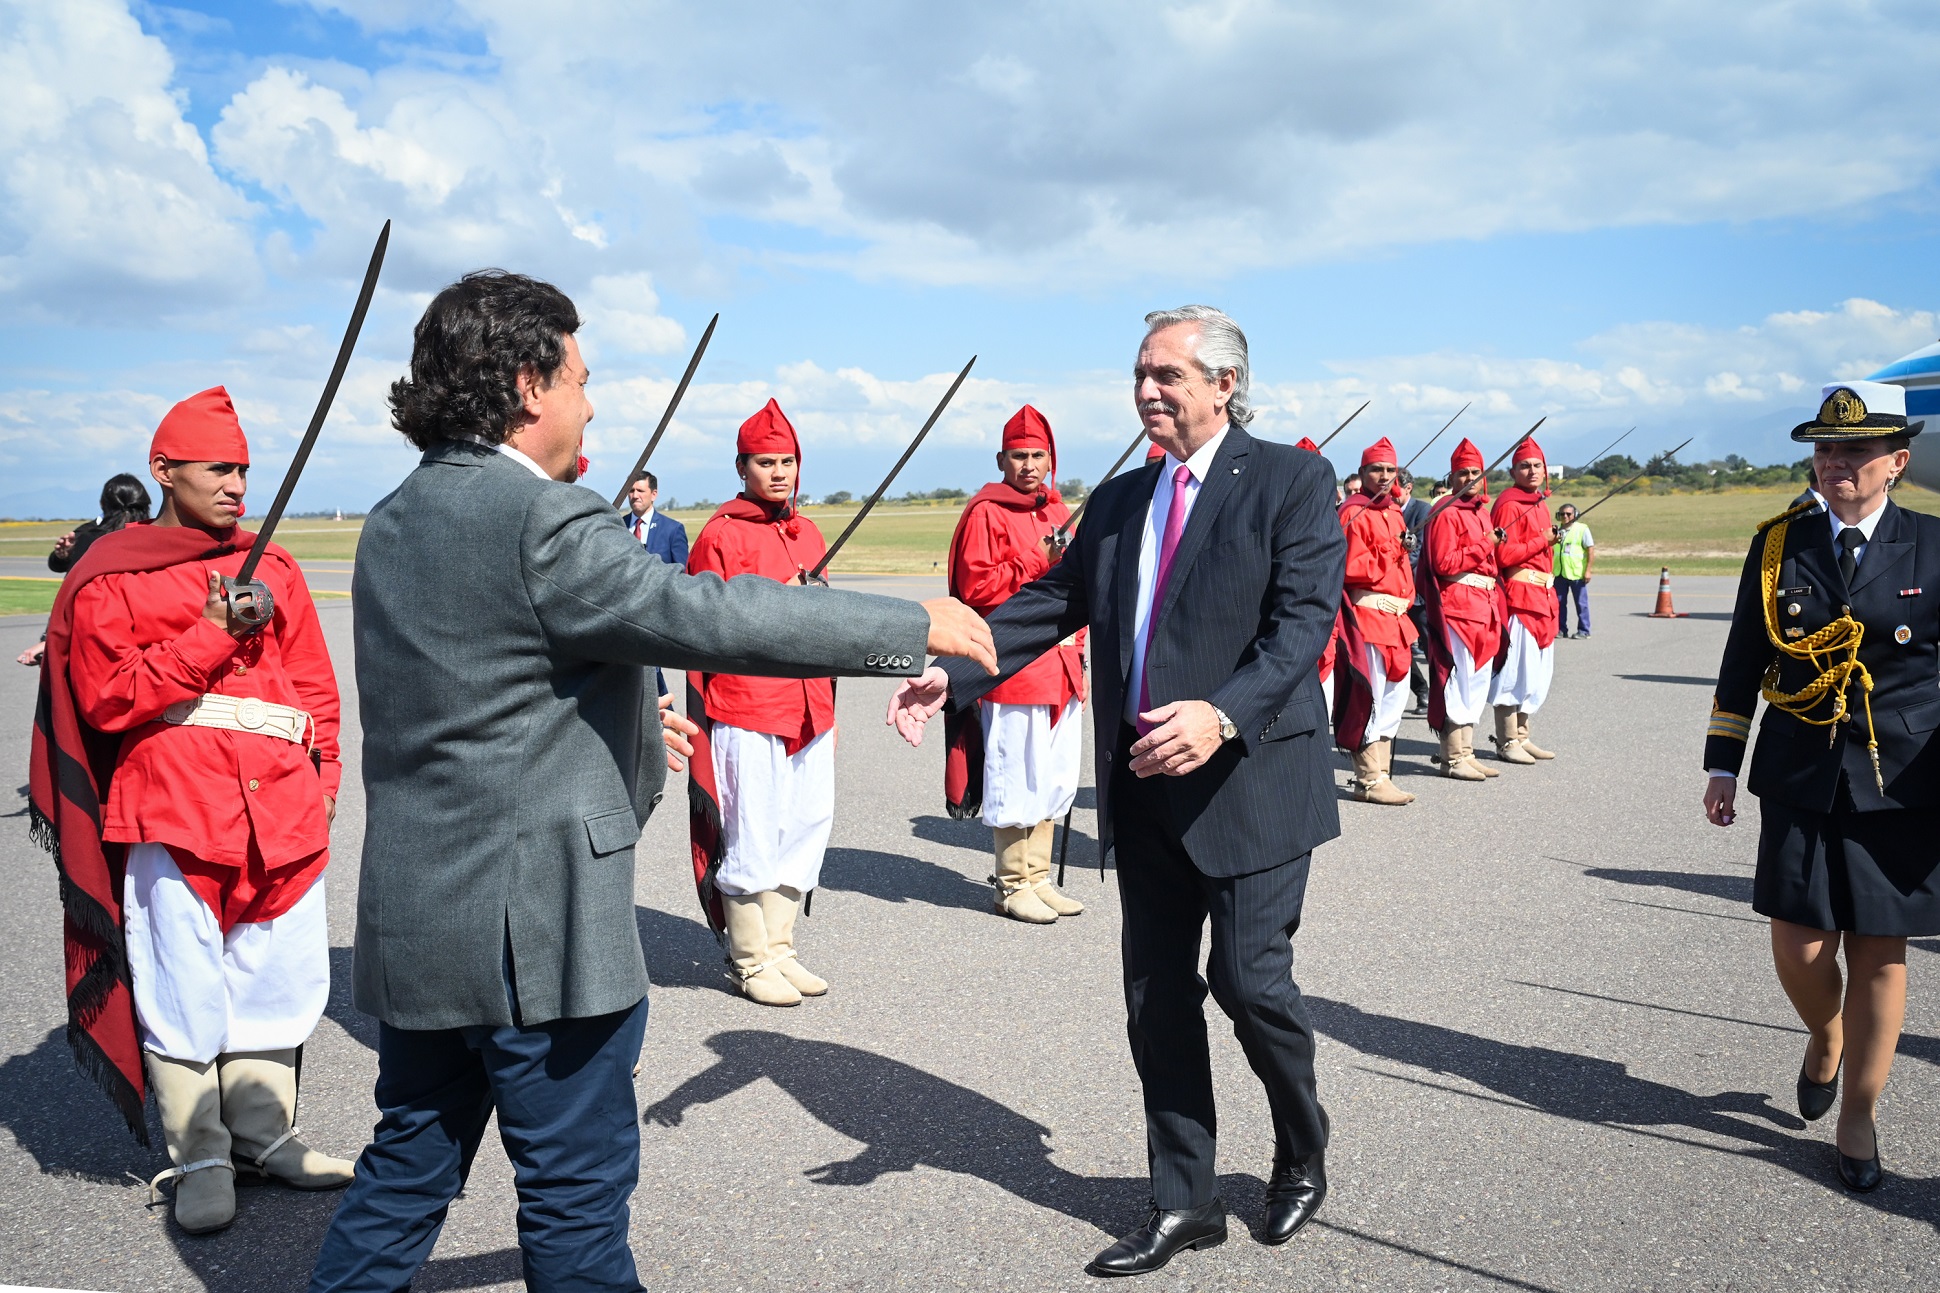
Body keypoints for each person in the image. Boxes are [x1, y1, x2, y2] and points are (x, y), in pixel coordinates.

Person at [312, 271, 994, 1291]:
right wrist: (905, 627)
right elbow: (706, 613)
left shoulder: (397, 516)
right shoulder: (539, 519)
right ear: (530, 384)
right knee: (574, 1199)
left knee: (408, 1168)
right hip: (533, 935)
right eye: (582, 380)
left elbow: (477, 687)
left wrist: (624, 711)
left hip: (421, 916)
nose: (591, 404)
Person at [889, 305, 1345, 1277]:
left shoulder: (1290, 482)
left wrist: (1220, 714)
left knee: (1248, 983)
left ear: (1223, 384)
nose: (1145, 389)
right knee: (1156, 999)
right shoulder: (1120, 499)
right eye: (1140, 372)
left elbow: (1301, 626)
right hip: (1141, 794)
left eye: (1166, 374)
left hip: (1251, 782)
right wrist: (953, 671)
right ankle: (1184, 1201)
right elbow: (1052, 605)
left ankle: (1300, 1144)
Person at [28, 388, 353, 1237]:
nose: (238, 484)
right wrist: (210, 632)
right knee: (182, 980)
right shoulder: (113, 573)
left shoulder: (273, 562)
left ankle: (264, 1135)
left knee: (276, 976)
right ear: (165, 471)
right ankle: (201, 1153)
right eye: (220, 468)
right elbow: (108, 698)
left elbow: (315, 686)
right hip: (175, 807)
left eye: (245, 468)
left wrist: (323, 784)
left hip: (282, 806)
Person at [1703, 380, 1939, 1195]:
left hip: (1900, 778)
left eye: (1855, 451)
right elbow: (1743, 657)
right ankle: (1825, 1033)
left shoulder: (1933, 545)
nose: (1835, 463)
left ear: (1896, 463)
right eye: (1825, 449)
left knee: (1880, 950)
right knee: (1800, 944)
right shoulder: (1780, 546)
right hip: (1800, 768)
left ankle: (1860, 1113)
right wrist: (1721, 761)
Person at [684, 400, 843, 1006]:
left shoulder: (809, 532)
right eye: (765, 463)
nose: (779, 473)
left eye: (787, 462)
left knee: (805, 824)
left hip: (810, 705)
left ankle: (781, 947)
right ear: (741, 467)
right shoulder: (720, 534)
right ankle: (749, 959)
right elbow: (706, 625)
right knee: (751, 828)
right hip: (747, 704)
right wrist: (780, 601)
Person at [943, 404, 1087, 923]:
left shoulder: (1057, 509)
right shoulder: (987, 511)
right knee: (1016, 771)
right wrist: (1036, 561)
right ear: (1001, 459)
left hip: (1064, 665)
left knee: (1051, 774)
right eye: (1019, 456)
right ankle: (1010, 883)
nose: (1029, 465)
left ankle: (1039, 876)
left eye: (1038, 456)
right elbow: (977, 587)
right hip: (1014, 667)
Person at [1336, 437, 1418, 805]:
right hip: (1369, 617)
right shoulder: (1353, 512)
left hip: (1398, 620)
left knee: (1394, 698)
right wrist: (1391, 549)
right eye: (1376, 470)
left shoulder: (1395, 512)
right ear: (1363, 472)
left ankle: (1382, 772)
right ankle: (1368, 778)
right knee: (1371, 696)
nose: (1384, 477)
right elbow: (1348, 567)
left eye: (1390, 470)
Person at [1418, 438, 1503, 781]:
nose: (1469, 477)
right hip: (1458, 608)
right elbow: (1443, 563)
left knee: (1478, 681)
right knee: (1459, 680)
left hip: (1485, 607)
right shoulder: (1445, 513)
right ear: (1451, 478)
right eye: (1462, 473)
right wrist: (1487, 544)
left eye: (1474, 472)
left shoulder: (1482, 513)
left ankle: (1467, 751)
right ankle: (1452, 755)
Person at [17, 473, 154, 667]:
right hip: (147, 637)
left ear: (102, 504)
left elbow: (71, 591)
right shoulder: (155, 535)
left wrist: (49, 637)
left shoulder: (90, 536)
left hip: (93, 635)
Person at [1486, 437, 1560, 764]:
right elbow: (1502, 554)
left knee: (1538, 672)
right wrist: (1540, 541)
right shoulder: (1508, 503)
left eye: (1537, 466)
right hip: (1520, 598)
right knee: (1516, 670)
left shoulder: (1539, 502)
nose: (1532, 471)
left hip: (1543, 597)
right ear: (1513, 470)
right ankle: (1506, 740)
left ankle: (1523, 734)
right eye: (1525, 466)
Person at [1398, 469, 1432, 712]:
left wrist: (1392, 562)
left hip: (1417, 592)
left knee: (1431, 645)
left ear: (1408, 488)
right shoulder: (1384, 511)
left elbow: (1418, 551)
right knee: (1401, 648)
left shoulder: (1422, 510)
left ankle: (1443, 692)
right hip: (1393, 595)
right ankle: (1422, 691)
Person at [624, 470, 688, 566]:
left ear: (653, 494)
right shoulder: (619, 525)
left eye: (640, 491)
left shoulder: (672, 530)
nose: (635, 496)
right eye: (631, 490)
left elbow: (682, 573)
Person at [1552, 502, 1595, 638]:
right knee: (1559, 603)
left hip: (1576, 573)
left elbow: (1590, 550)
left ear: (1575, 515)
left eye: (1568, 514)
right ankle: (1561, 629)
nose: (1565, 516)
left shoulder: (1582, 529)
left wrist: (1588, 570)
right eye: (1562, 514)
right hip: (1559, 573)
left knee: (1581, 603)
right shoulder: (1556, 531)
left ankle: (1584, 630)